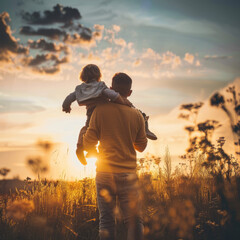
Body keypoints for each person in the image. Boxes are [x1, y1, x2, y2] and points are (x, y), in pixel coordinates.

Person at [82, 72, 148, 240]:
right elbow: (141, 147)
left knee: (106, 221)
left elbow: (89, 141)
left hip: (104, 173)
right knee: (134, 221)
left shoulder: (100, 110)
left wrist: (96, 155)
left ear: (111, 89)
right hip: (129, 175)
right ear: (130, 93)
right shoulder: (137, 115)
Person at [62, 64, 157, 165]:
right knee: (139, 115)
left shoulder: (81, 89)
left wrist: (66, 106)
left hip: (92, 113)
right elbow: (113, 95)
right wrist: (123, 102)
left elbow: (69, 97)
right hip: (127, 167)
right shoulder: (100, 86)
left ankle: (82, 148)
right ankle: (144, 126)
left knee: (86, 128)